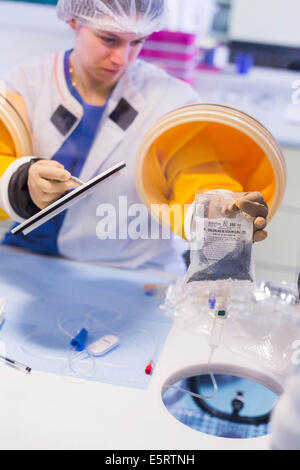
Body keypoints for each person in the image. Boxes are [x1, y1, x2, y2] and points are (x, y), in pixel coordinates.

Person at [0, 0, 268, 274]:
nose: (122, 58)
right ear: (74, 21)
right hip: (24, 260)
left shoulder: (169, 99)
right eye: (108, 39)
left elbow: (196, 173)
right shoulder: (25, 84)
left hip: (129, 271)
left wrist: (216, 211)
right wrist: (22, 181)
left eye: (136, 42)